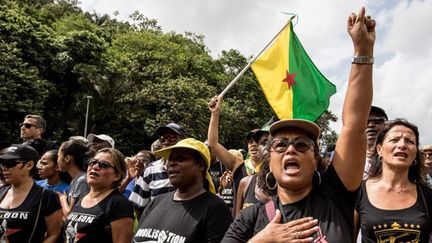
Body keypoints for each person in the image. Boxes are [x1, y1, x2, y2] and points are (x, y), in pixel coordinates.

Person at [222, 7, 375, 242]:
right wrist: (260, 240)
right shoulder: (251, 218)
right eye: (280, 146)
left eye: (302, 145)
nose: (291, 149)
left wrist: (362, 51)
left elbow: (354, 124)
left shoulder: (335, 196)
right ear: (269, 163)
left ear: (316, 161)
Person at [133, 138, 232, 243]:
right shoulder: (156, 202)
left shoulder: (215, 209)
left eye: (180, 158)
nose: (171, 163)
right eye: (170, 159)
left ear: (201, 165)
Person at [354, 119, 432, 242]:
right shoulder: (360, 191)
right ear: (379, 149)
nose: (402, 145)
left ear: (416, 152)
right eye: (394, 140)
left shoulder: (427, 195)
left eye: (410, 141)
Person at [65, 147, 134, 243]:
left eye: (104, 165)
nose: (95, 167)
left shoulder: (119, 204)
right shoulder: (82, 197)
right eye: (92, 162)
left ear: (117, 175)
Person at [0, 144, 63, 242]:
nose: (4, 168)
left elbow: (54, 234)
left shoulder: (46, 196)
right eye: (2, 163)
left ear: (29, 165)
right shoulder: (1, 192)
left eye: (10, 163)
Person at [129, 122, 186, 219]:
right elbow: (139, 205)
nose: (166, 142)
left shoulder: (192, 168)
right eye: (163, 138)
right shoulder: (151, 170)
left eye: (171, 137)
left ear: (184, 141)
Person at [235, 129, 271, 216]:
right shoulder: (245, 183)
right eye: (264, 143)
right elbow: (237, 227)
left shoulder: (293, 185)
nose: (268, 147)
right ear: (258, 150)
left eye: (272, 141)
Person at [57, 138, 90, 217]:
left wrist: (62, 199)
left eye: (58, 156)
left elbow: (70, 215)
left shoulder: (82, 180)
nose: (57, 160)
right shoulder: (75, 180)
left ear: (67, 158)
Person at [364, 106, 388, 179]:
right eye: (365, 121)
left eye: (377, 121)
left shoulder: (396, 157)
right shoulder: (344, 157)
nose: (371, 125)